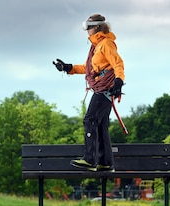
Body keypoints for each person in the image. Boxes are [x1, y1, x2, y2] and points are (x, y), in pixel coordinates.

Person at [53, 14, 125, 172]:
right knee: (100, 126)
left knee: (90, 120)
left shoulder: (106, 43)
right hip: (102, 87)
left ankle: (89, 159)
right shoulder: (96, 46)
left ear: (98, 27)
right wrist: (68, 68)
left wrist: (119, 81)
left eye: (89, 27)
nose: (87, 30)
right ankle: (105, 163)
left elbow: (118, 63)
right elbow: (90, 69)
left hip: (105, 88)